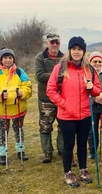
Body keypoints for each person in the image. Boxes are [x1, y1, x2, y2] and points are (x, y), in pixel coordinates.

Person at [46, 36, 102, 188]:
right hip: (66, 115)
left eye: (80, 49)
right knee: (68, 144)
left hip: (85, 114)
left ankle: (83, 170)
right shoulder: (60, 68)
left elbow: (98, 90)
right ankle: (68, 172)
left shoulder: (89, 69)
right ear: (69, 50)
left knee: (82, 143)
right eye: (74, 49)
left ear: (84, 51)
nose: (77, 52)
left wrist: (92, 88)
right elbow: (50, 90)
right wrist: (63, 104)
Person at [0, 48, 32, 165]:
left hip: (18, 107)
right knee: (3, 131)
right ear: (1, 59)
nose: (8, 60)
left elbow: (28, 86)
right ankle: (3, 153)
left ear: (13, 59)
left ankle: (20, 150)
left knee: (19, 129)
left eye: (10, 57)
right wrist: (0, 95)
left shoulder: (20, 72)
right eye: (5, 58)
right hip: (2, 108)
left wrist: (23, 92)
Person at [35, 33, 65, 163]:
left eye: (57, 42)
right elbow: (39, 76)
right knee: (45, 126)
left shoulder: (64, 58)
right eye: (52, 42)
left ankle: (62, 149)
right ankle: (47, 152)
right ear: (47, 43)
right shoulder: (40, 58)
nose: (54, 45)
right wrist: (57, 76)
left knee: (63, 125)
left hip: (62, 97)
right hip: (46, 98)